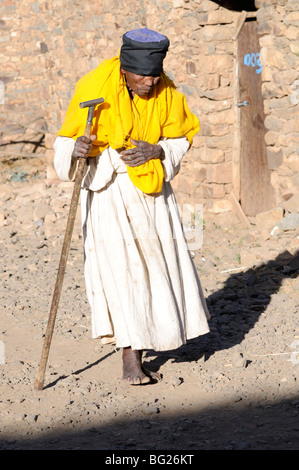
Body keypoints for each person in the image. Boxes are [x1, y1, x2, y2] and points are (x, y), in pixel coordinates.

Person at [53, 28, 210, 385]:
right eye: (143, 75)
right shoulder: (94, 87)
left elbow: (180, 137)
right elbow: (66, 140)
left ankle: (158, 330)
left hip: (151, 192)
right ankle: (130, 354)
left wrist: (156, 151)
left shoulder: (166, 91)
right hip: (107, 191)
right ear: (125, 69)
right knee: (121, 271)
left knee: (156, 266)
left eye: (156, 74)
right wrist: (76, 149)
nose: (151, 83)